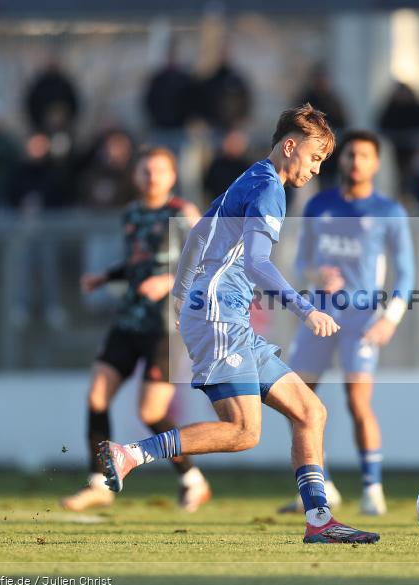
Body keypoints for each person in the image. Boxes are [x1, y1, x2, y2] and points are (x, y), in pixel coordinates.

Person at [97, 104, 379, 544]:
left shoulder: (251, 177)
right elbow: (256, 262)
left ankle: (320, 519)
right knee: (244, 432)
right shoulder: (270, 189)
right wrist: (306, 309)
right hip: (218, 313)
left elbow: (196, 235)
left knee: (311, 411)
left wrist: (178, 292)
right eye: (315, 157)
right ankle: (131, 454)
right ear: (290, 146)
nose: (317, 167)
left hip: (222, 314)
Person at [61, 146, 211, 513]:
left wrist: (168, 282)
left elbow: (209, 264)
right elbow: (137, 262)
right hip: (130, 319)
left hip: (166, 328)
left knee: (150, 412)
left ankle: (192, 478)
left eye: (159, 170)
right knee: (97, 396)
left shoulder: (183, 213)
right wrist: (105, 277)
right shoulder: (131, 214)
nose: (151, 176)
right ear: (135, 175)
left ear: (172, 176)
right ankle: (99, 482)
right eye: (145, 170)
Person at [277, 130, 414, 516]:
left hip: (361, 319)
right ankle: (323, 486)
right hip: (318, 314)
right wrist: (314, 275)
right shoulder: (319, 205)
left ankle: (373, 488)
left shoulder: (388, 212)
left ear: (376, 163)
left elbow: (406, 273)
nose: (356, 162)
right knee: (297, 400)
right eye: (350, 155)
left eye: (364, 156)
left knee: (358, 404)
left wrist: (390, 319)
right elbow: (300, 261)